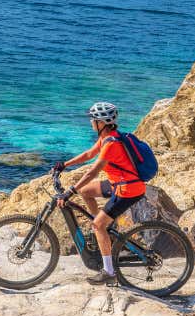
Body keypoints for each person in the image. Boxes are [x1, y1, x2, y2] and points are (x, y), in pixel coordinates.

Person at [53, 101, 146, 285]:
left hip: (128, 189)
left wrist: (70, 191)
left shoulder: (111, 143)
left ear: (101, 122)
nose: (90, 122)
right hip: (118, 183)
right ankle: (105, 230)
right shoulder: (107, 137)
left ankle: (109, 271)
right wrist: (64, 164)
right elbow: (89, 154)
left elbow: (92, 172)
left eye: (93, 119)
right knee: (86, 192)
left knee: (97, 225)